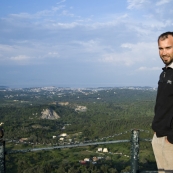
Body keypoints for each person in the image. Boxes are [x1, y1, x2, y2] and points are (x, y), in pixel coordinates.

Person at [152, 31, 173, 172]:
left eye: (168, 48)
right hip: (159, 137)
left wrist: (171, 138)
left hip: (170, 141)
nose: (164, 52)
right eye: (161, 48)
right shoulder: (165, 72)